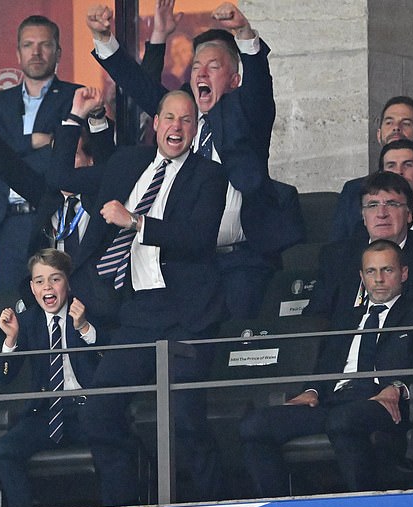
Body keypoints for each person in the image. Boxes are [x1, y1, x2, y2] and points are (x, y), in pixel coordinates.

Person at [47, 90, 228, 506]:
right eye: (169, 118)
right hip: (137, 312)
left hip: (188, 314)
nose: (176, 127)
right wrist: (75, 119)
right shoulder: (129, 163)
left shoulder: (209, 175)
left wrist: (137, 221)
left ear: (196, 128)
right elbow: (60, 178)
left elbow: (198, 240)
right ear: (156, 124)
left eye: (186, 120)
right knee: (99, 413)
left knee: (186, 420)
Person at [86, 1, 304, 318]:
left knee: (231, 342)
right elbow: (138, 84)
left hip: (239, 263)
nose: (201, 72)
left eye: (213, 67)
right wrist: (104, 38)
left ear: (234, 81)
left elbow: (258, 89)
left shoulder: (246, 120)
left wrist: (244, 34)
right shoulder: (181, 126)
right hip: (186, 262)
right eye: (196, 67)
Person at [240, 239, 413, 497]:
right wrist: (312, 390)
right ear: (362, 276)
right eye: (371, 271)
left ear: (403, 273)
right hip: (332, 401)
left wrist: (399, 387)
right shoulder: (345, 317)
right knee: (254, 425)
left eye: (386, 270)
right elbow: (325, 364)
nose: (378, 279)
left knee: (342, 420)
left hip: (383, 403)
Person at [0, 87, 119, 325]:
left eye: (71, 156)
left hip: (98, 310)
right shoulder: (48, 198)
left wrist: (95, 116)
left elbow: (108, 162)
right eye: (58, 159)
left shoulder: (102, 198)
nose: (64, 166)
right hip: (51, 308)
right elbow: (6, 163)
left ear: (89, 160)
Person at [0, 15, 81, 296]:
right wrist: (32, 142)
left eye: (44, 45)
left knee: (57, 302)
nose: (36, 52)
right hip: (8, 223)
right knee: (8, 307)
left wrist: (3, 152)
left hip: (53, 218)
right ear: (17, 53)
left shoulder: (75, 98)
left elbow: (64, 158)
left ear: (58, 52)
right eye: (28, 45)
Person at [0, 248, 100, 507]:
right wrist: (11, 340)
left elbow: (107, 360)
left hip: (87, 410)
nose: (47, 287)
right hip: (46, 412)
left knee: (113, 443)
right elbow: (3, 377)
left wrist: (84, 327)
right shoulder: (27, 322)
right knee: (5, 448)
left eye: (55, 279)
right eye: (40, 281)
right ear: (32, 287)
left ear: (68, 282)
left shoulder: (89, 312)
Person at [305, 171, 413, 319]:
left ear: (409, 214)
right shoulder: (337, 256)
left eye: (391, 204)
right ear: (363, 216)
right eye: (372, 205)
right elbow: (315, 317)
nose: (381, 213)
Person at [330, 96, 413, 241]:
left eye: (406, 123)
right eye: (389, 122)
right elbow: (338, 247)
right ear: (379, 135)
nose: (396, 128)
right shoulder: (353, 191)